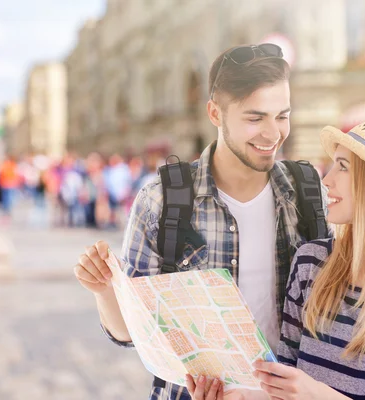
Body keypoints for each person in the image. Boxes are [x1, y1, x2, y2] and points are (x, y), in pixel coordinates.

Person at [73, 43, 331, 400]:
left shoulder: (307, 191)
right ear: (215, 113)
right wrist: (104, 290)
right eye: (255, 118)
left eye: (282, 116)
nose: (273, 134)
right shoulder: (161, 200)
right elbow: (132, 333)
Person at [188, 118, 365, 400]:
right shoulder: (311, 261)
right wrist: (238, 396)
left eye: (343, 167)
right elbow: (283, 385)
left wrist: (315, 395)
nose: (327, 179)